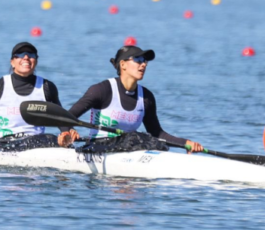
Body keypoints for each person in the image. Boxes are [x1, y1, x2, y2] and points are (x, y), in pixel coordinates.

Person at [68, 45, 203, 153]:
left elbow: (157, 133)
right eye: (138, 60)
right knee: (135, 137)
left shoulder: (146, 97)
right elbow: (67, 117)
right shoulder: (102, 90)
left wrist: (185, 143)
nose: (143, 64)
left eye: (145, 61)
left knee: (144, 139)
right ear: (123, 65)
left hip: (129, 147)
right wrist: (68, 131)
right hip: (97, 147)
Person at [0, 42, 78, 149]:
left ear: (36, 61)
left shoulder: (47, 87)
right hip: (6, 143)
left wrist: (67, 131)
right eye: (20, 55)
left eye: (31, 55)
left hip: (39, 142)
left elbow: (60, 118)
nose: (26, 57)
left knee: (54, 139)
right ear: (12, 62)